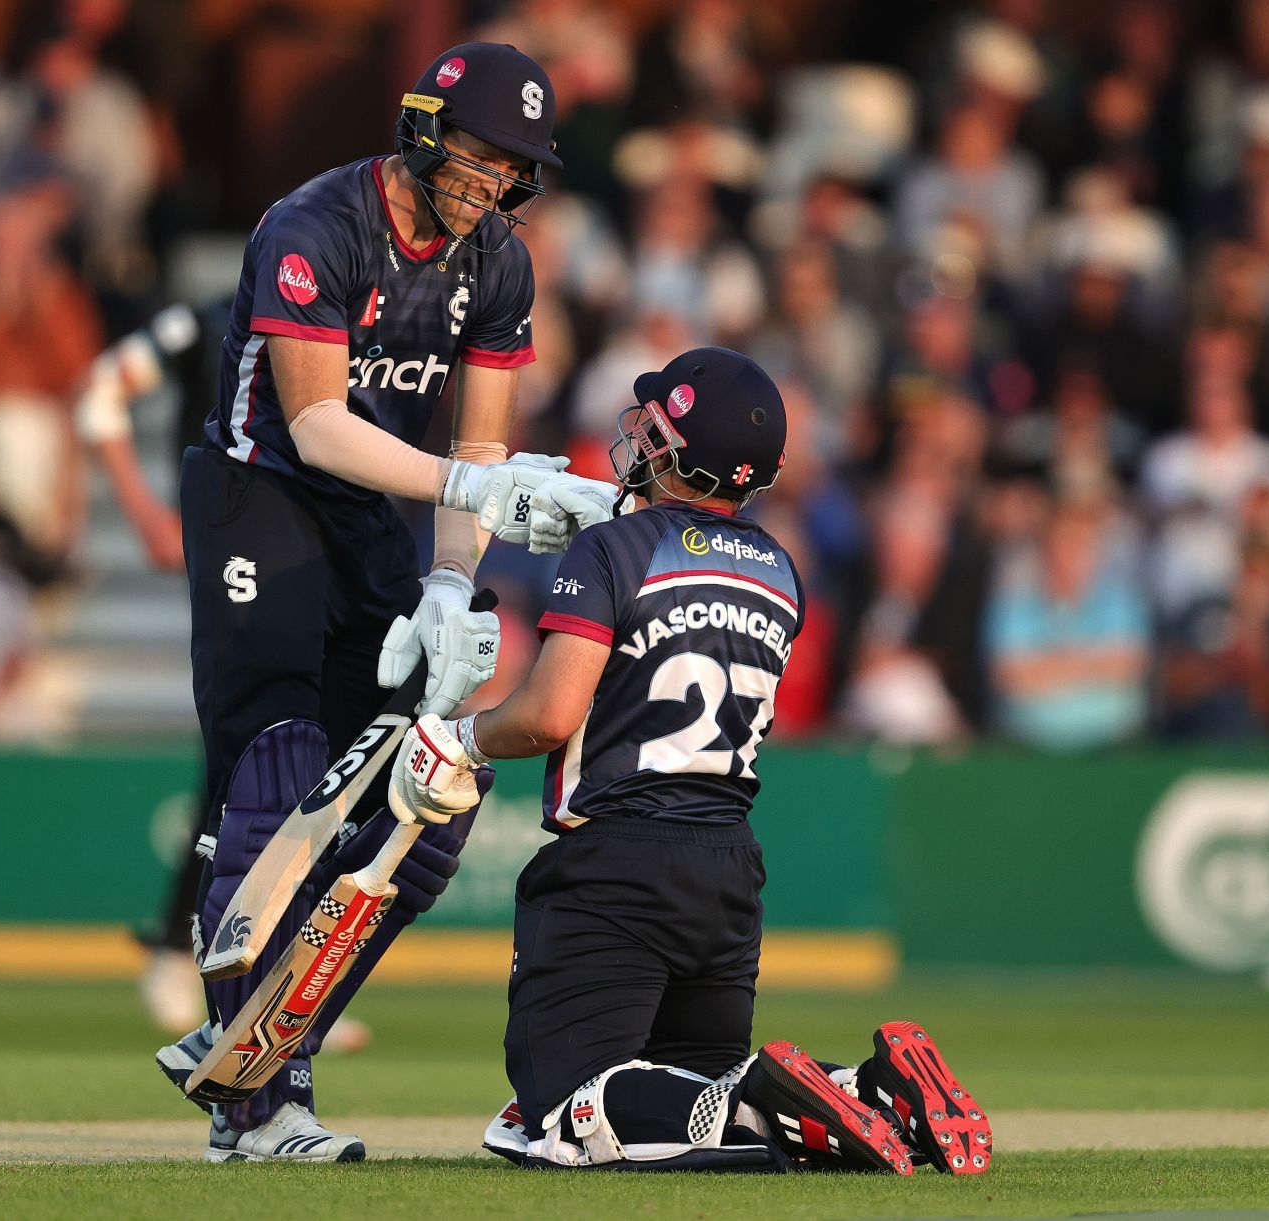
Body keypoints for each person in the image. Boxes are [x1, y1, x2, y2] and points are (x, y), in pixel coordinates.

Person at [153, 44, 615, 1163]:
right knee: (277, 760)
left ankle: (266, 1038)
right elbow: (313, 424)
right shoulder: (314, 225)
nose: (489, 178)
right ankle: (256, 1101)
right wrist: (466, 492)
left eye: (512, 163)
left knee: (428, 795)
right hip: (261, 490)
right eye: (477, 150)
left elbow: (481, 441)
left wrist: (456, 575)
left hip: (377, 513)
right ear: (428, 129)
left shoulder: (501, 264)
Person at [387, 348, 991, 1175]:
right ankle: (871, 1086)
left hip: (619, 860)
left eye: (658, 427)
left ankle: (778, 1098)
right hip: (729, 869)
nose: (640, 439)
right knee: (695, 1085)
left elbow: (552, 713)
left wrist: (463, 738)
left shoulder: (611, 549)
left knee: (561, 1111)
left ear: (680, 449)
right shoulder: (783, 569)